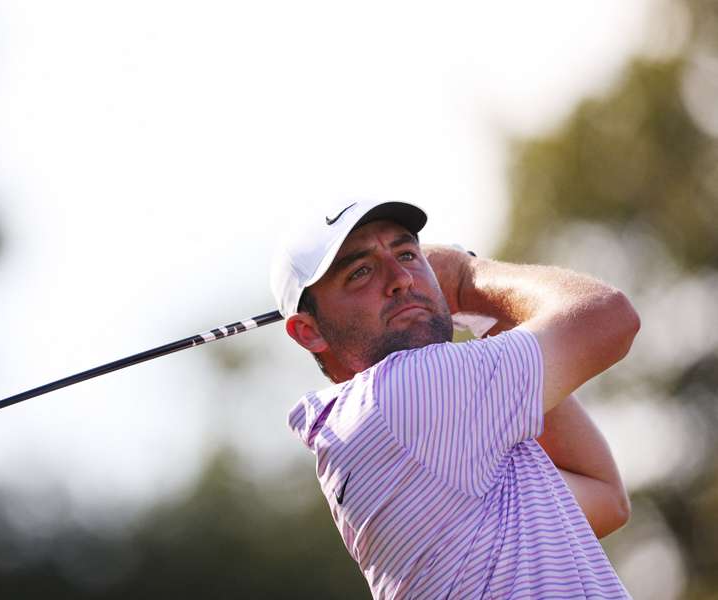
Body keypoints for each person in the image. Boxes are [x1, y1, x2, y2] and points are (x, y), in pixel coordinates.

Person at [270, 199, 639, 599]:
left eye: (408, 254)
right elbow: (609, 317)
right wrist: (467, 278)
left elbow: (603, 497)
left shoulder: (438, 436)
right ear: (309, 332)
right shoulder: (401, 394)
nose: (401, 279)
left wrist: (479, 314)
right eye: (361, 272)